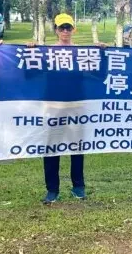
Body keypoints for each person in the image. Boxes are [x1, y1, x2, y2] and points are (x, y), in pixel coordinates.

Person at [39, 13, 100, 204]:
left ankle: (78, 186)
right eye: (61, 28)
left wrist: (101, 53)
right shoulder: (46, 52)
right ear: (56, 30)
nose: (65, 31)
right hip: (53, 106)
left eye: (68, 27)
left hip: (76, 106)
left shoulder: (82, 53)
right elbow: (28, 72)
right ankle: (52, 190)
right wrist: (31, 50)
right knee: (51, 150)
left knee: (77, 147)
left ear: (73, 29)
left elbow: (99, 73)